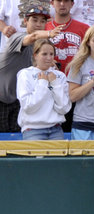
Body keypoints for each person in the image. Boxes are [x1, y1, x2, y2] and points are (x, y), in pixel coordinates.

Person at [0, 4, 62, 133]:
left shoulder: (39, 48)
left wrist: (50, 63)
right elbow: (33, 37)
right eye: (34, 19)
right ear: (25, 21)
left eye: (43, 21)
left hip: (19, 101)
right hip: (2, 98)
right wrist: (50, 33)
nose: (39, 24)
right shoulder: (16, 37)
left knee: (17, 145)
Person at [16, 39, 71, 139]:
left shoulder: (60, 76)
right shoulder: (25, 74)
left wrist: (55, 83)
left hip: (56, 129)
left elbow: (64, 108)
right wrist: (42, 83)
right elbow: (28, 106)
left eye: (51, 54)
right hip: (32, 130)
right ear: (35, 55)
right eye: (44, 54)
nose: (49, 58)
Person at [46, 0, 89, 74]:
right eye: (59, 1)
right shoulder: (44, 28)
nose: (62, 4)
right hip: (50, 77)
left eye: (66, 1)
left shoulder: (84, 29)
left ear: (72, 4)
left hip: (76, 79)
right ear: (52, 3)